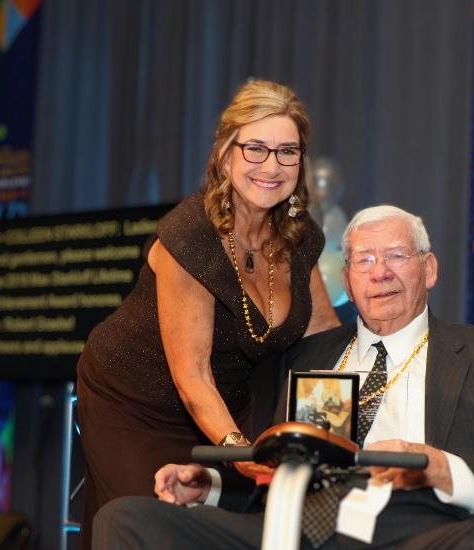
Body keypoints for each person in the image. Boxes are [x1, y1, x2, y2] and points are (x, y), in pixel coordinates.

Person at [94, 205, 474, 550]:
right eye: (364, 261)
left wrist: (440, 467)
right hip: (292, 530)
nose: (380, 274)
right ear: (348, 277)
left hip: (419, 531)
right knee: (127, 519)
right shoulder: (308, 357)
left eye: (397, 256)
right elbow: (276, 476)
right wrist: (210, 488)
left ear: (429, 269)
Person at [76, 79, 341, 547]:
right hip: (135, 401)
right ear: (226, 155)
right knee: (149, 522)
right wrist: (241, 452)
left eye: (287, 152)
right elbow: (193, 376)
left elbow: (325, 345)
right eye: (255, 148)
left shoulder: (300, 238)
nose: (271, 165)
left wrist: (338, 433)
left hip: (230, 409)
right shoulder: (191, 234)